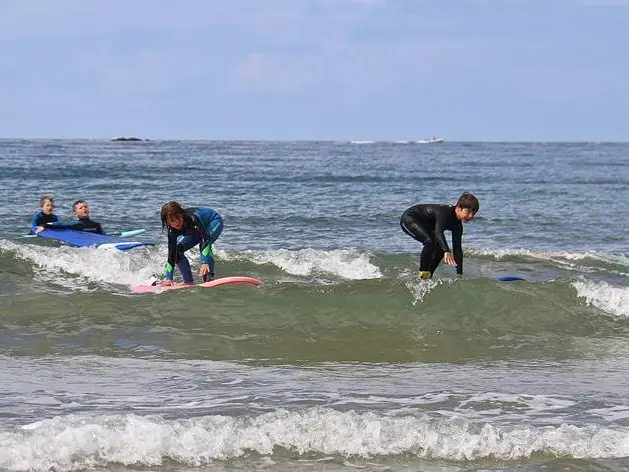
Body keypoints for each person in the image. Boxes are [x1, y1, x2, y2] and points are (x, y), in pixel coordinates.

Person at [400, 192, 479, 279]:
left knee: (440, 248)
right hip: (409, 219)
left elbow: (457, 250)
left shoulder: (458, 226)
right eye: (468, 212)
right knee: (429, 242)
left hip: (425, 225)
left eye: (473, 213)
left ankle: (428, 276)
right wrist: (447, 251)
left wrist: (459, 274)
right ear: (459, 208)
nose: (471, 216)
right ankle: (423, 275)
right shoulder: (445, 212)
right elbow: (438, 232)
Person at [159, 201, 224, 286]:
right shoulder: (172, 229)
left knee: (203, 244)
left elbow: (205, 239)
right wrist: (169, 278)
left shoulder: (192, 219)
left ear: (181, 215)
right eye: (170, 221)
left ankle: (209, 278)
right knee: (177, 251)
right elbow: (171, 253)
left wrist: (204, 262)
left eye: (176, 218)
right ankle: (189, 281)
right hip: (195, 231)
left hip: (213, 221)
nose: (174, 223)